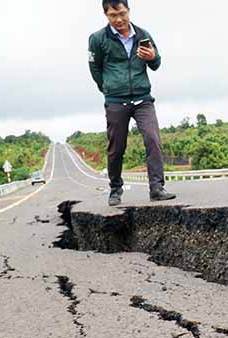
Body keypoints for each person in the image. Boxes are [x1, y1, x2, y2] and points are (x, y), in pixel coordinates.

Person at [88, 0, 175, 206]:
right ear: (105, 14)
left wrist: (152, 57)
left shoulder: (143, 35)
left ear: (128, 11)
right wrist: (109, 89)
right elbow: (95, 70)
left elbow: (156, 64)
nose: (118, 19)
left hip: (143, 98)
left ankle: (157, 188)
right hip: (116, 101)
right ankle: (115, 189)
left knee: (153, 139)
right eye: (112, 15)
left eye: (122, 13)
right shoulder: (97, 39)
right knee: (116, 147)